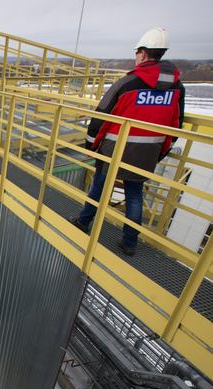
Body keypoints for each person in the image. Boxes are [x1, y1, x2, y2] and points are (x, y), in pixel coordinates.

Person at [71, 27, 185, 256]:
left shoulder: (127, 84)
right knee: (134, 194)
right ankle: (130, 243)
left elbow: (101, 116)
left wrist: (91, 146)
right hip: (146, 154)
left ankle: (84, 222)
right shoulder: (177, 88)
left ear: (143, 54)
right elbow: (176, 126)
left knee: (98, 189)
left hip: (114, 150)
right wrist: (159, 153)